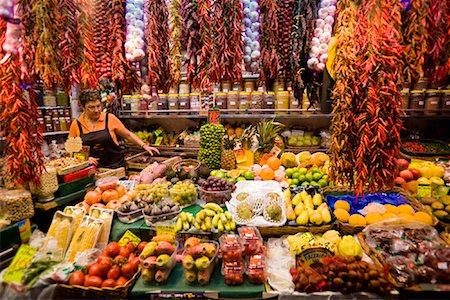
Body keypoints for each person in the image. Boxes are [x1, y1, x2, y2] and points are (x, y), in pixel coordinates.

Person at [69, 89, 159, 168]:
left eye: (98, 106)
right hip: (92, 171)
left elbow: (128, 135)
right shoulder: (76, 125)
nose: (96, 110)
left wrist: (144, 146)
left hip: (116, 167)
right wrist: (85, 159)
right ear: (82, 107)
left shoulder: (109, 119)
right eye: (91, 107)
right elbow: (72, 150)